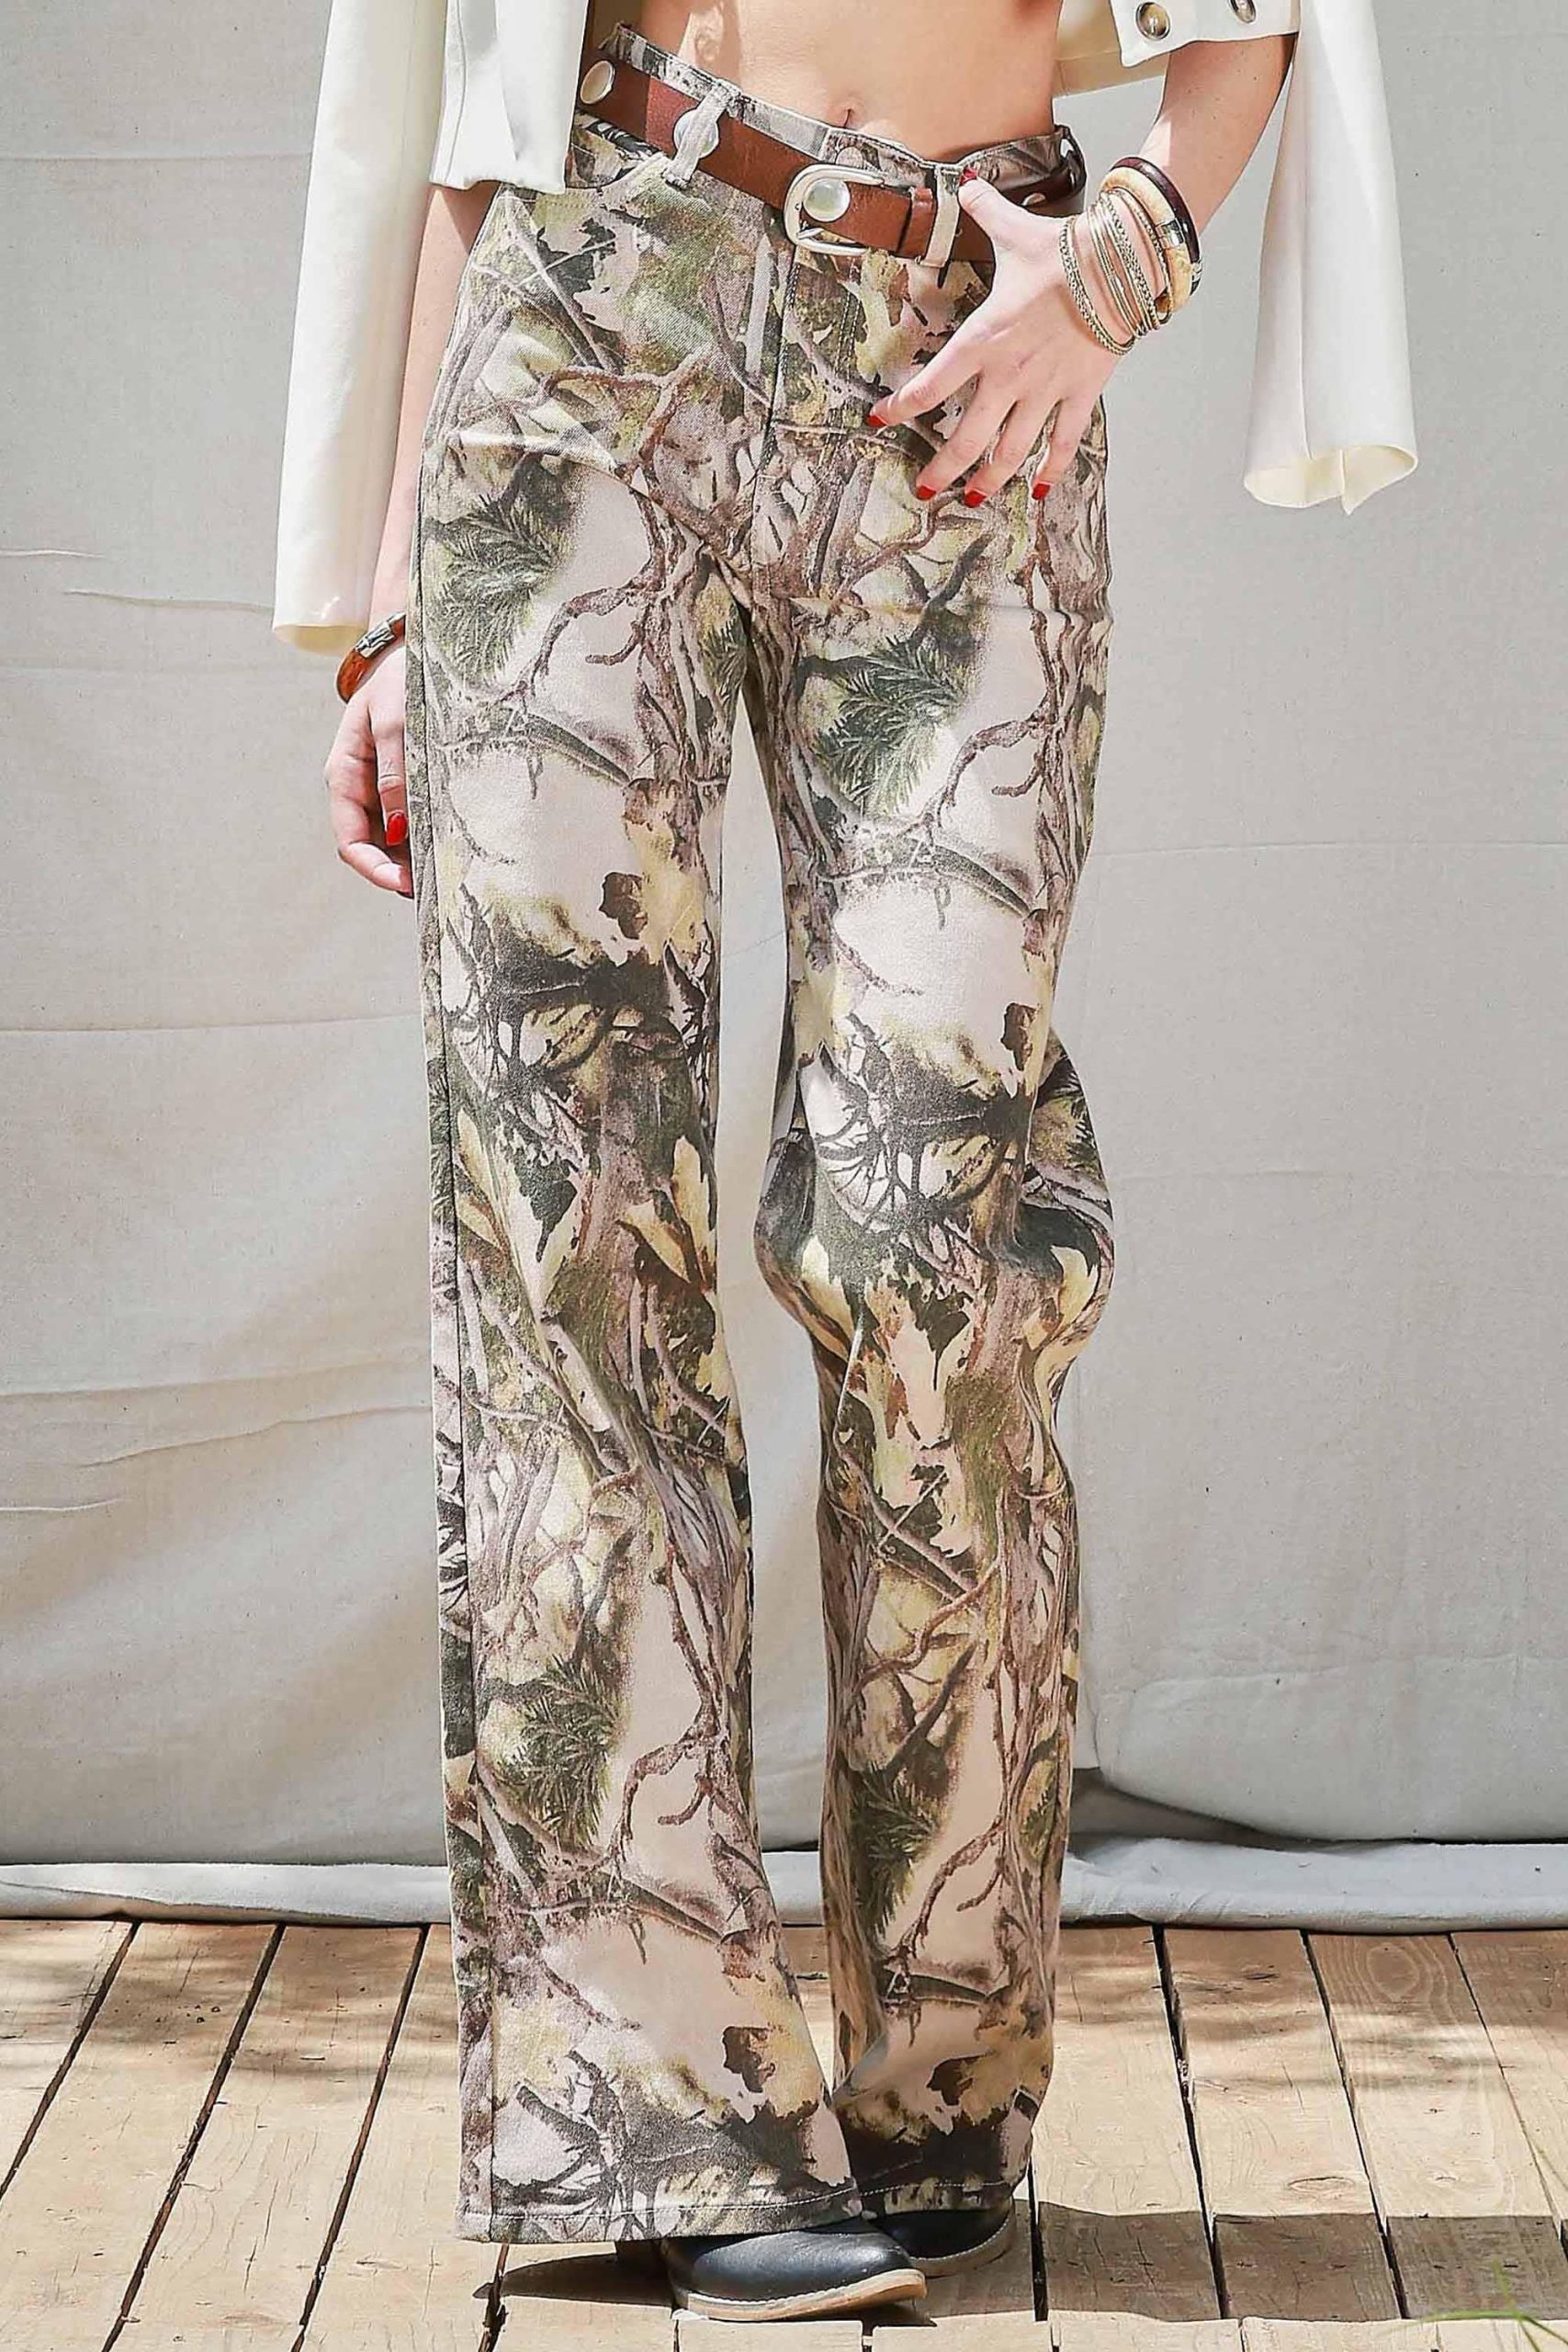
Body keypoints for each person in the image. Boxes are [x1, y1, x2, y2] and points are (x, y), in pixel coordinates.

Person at [275, 0, 1414, 2323]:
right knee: (564, 1235)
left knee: (932, 1242)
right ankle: (655, 2112)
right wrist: (392, 592)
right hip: (593, 311)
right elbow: (473, 74)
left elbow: (1269, 13)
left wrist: (1121, 262)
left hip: (961, 350)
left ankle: (938, 2064)